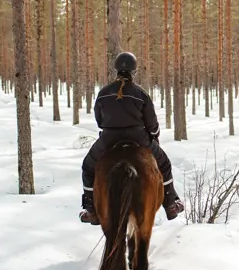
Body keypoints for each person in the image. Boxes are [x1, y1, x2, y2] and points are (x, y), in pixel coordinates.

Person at [79, 52, 185, 225]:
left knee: (88, 167)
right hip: (139, 138)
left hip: (109, 139)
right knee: (164, 164)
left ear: (116, 70)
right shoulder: (140, 93)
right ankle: (171, 204)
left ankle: (91, 210)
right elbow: (151, 122)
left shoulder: (104, 93)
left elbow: (99, 120)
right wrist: (154, 137)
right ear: (133, 71)